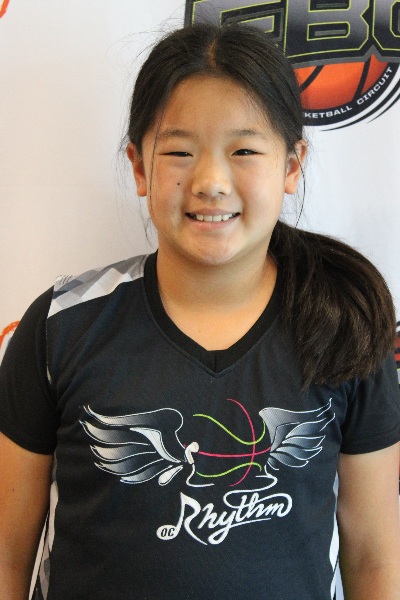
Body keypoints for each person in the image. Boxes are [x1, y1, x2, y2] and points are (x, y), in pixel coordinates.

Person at [0, 22, 400, 600]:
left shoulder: (344, 331)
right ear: (140, 166)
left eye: (244, 151)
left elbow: (374, 559)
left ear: (292, 165)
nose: (211, 182)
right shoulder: (61, 328)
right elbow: (8, 556)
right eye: (180, 152)